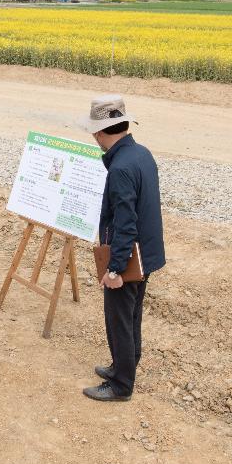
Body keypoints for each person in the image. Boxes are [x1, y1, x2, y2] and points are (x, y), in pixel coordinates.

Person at [81, 95, 165, 402]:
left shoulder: (120, 169)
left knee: (119, 318)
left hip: (129, 258)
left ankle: (121, 385)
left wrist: (115, 268)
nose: (94, 139)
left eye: (94, 133)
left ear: (101, 132)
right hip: (146, 254)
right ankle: (123, 365)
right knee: (131, 316)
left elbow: (125, 223)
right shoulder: (141, 154)